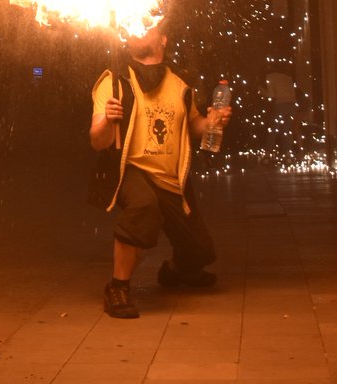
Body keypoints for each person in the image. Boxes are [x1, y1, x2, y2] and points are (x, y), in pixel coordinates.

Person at [88, 23, 231, 318]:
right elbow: (97, 141)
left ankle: (175, 271)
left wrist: (212, 122)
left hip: (171, 179)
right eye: (135, 26)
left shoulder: (181, 85)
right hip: (132, 170)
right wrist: (107, 121)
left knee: (202, 251)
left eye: (147, 25)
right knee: (144, 205)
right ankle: (117, 287)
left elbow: (194, 127)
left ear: (163, 39)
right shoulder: (114, 82)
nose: (138, 29)